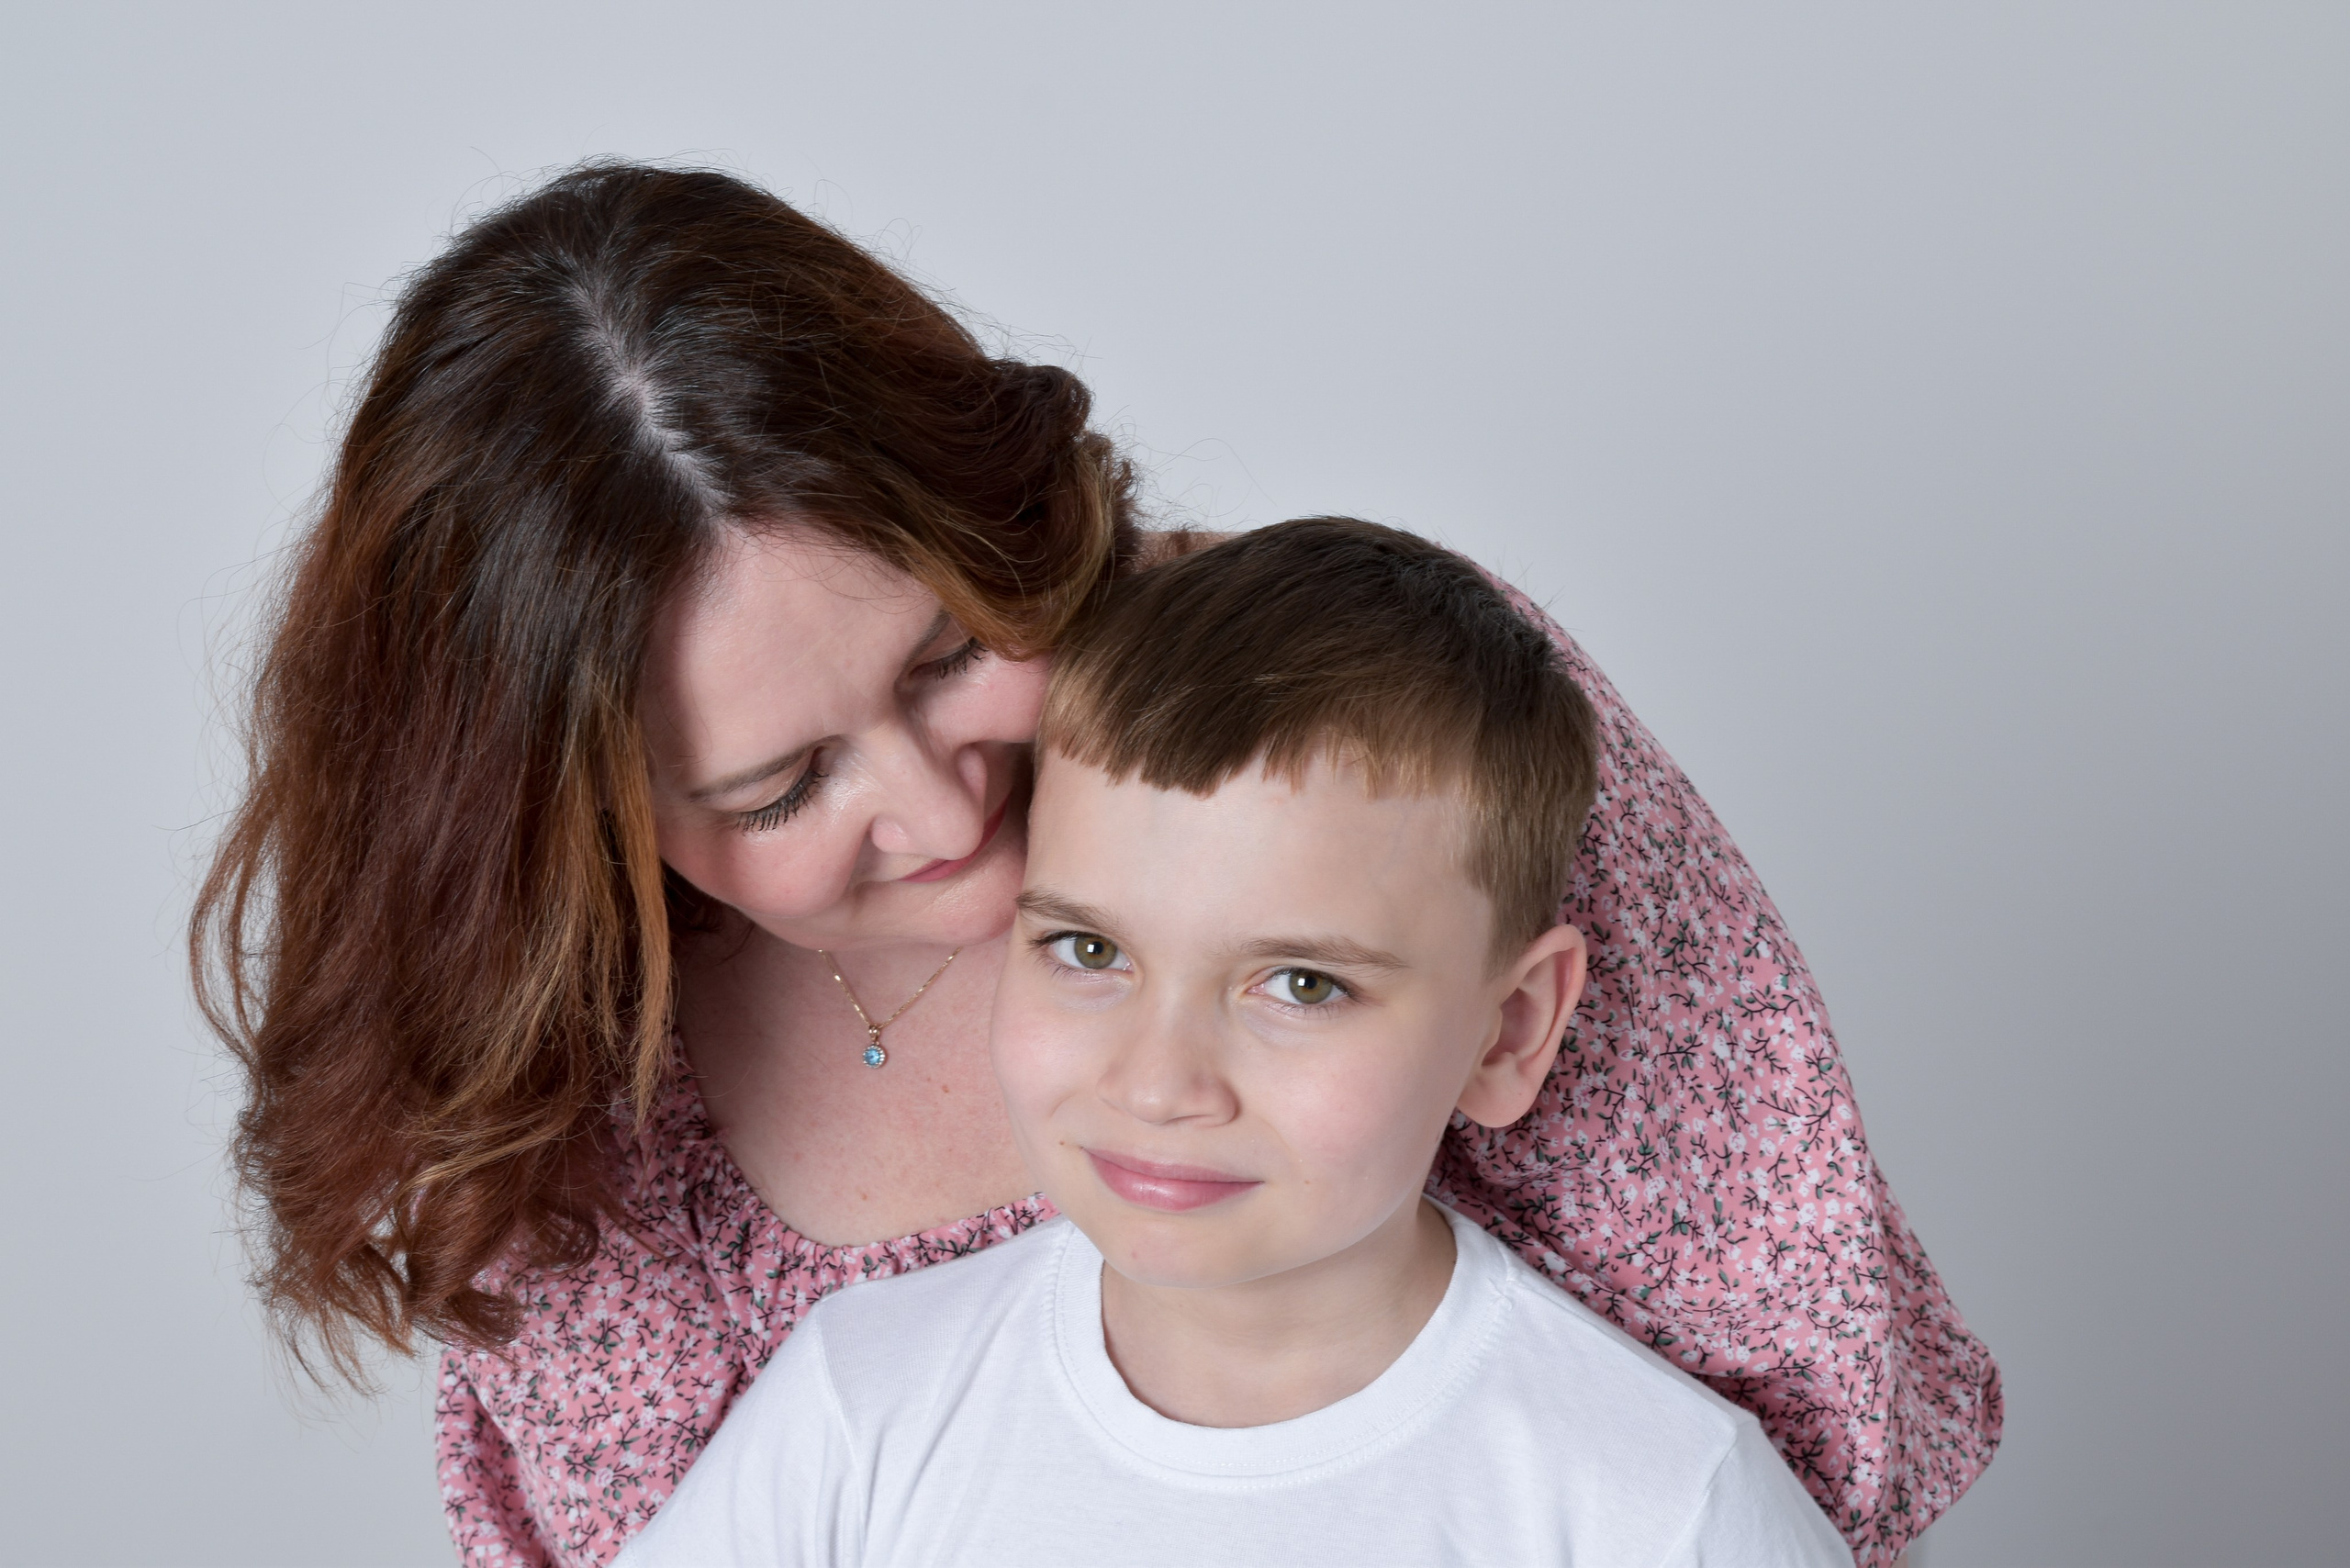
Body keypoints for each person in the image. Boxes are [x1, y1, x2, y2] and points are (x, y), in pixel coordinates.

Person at [191, 163, 1997, 1567]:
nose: (937, 802)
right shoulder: (599, 1151)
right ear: (583, 831)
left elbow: (1793, 1417)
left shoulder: (1355, 720)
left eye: (941, 656)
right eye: (781, 780)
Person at [618, 519, 1858, 1567]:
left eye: (1303, 983)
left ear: (1510, 1028)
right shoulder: (858, 1406)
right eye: (1090, 953)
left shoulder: (1659, 1502)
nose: (1160, 1084)